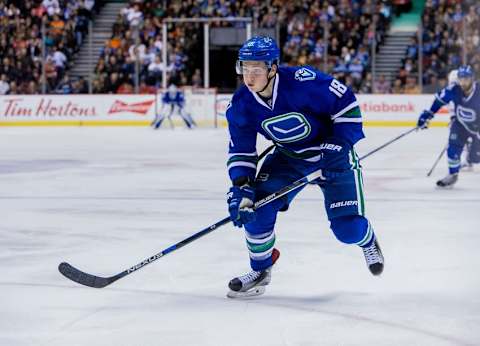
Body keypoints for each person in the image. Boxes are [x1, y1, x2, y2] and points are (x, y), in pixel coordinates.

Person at [225, 36, 383, 298]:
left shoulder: (303, 82)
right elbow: (241, 150)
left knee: (348, 230)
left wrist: (339, 144)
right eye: (245, 68)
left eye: (256, 69)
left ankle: (368, 240)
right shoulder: (241, 104)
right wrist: (241, 187)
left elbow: (347, 105)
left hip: (332, 156)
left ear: (272, 68)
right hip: (289, 159)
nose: (248, 77)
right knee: (256, 207)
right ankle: (261, 270)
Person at [417, 65, 480, 187]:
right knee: (452, 148)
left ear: (472, 78)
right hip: (460, 124)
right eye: (461, 79)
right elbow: (438, 101)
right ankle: (452, 174)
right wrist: (427, 115)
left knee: (475, 158)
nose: (463, 82)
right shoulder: (453, 89)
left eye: (466, 79)